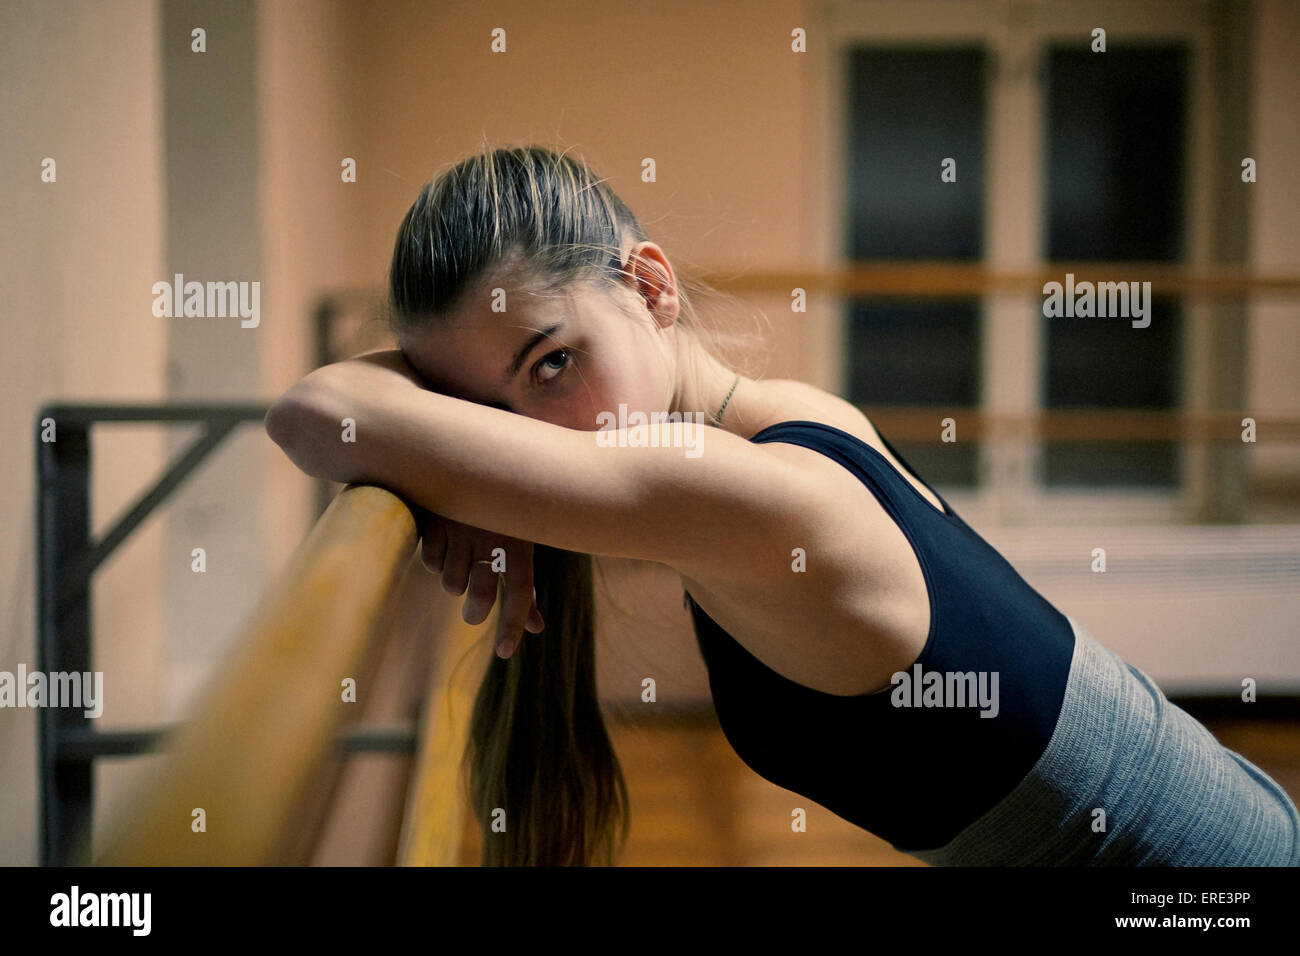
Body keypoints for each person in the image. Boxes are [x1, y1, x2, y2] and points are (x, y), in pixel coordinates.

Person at [265, 144, 1300, 867]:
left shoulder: (737, 488)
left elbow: (315, 408)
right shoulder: (781, 415)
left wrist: (466, 457)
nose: (528, 440)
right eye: (483, 412)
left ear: (651, 286)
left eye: (551, 362)